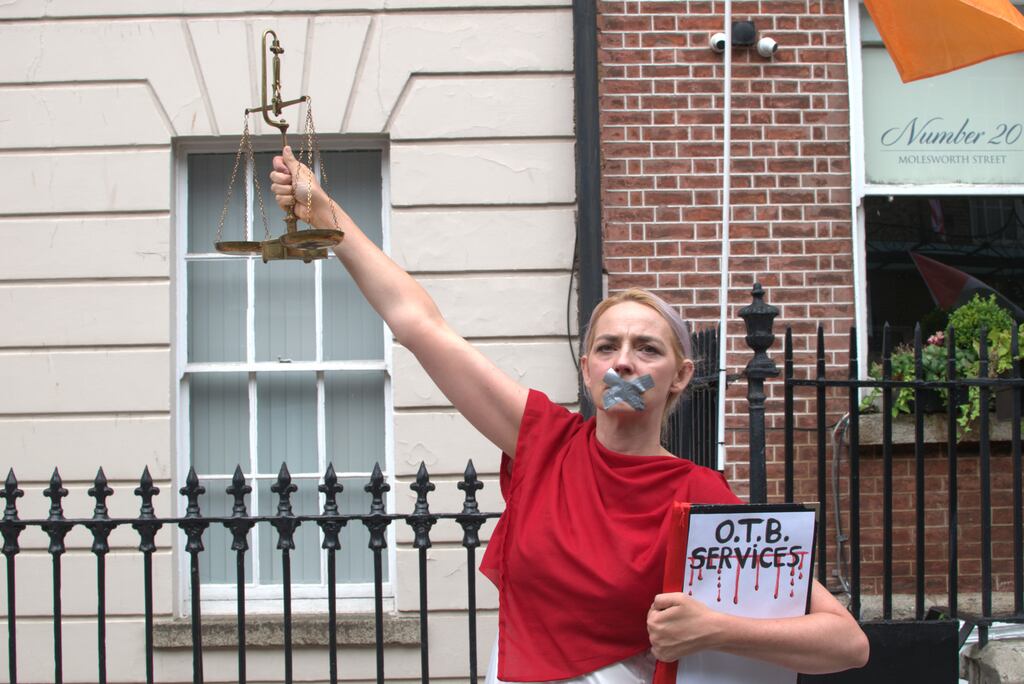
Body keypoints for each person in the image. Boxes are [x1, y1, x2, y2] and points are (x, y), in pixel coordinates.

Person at [269, 147, 870, 683]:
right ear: (586, 369)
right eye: (608, 347)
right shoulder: (543, 442)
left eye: (648, 349)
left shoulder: (700, 495)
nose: (625, 363)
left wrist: (714, 628)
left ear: (680, 376)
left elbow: (846, 642)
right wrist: (327, 215)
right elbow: (417, 324)